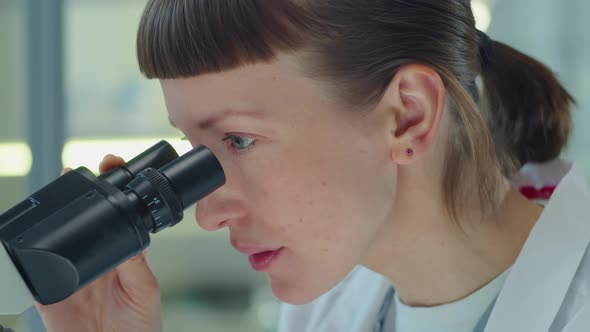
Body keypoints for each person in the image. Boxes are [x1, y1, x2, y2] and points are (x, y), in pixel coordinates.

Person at [36, 1, 590, 331]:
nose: (207, 214)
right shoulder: (325, 308)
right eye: (193, 150)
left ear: (408, 116)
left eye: (239, 140)